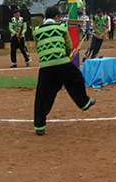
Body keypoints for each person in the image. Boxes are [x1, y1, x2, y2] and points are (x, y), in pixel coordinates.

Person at [32, 7, 96, 136]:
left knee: (43, 95)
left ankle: (39, 125)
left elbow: (39, 47)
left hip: (45, 66)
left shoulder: (36, 31)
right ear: (56, 17)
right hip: (62, 62)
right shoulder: (61, 28)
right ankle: (84, 103)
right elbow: (69, 45)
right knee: (76, 78)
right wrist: (67, 56)